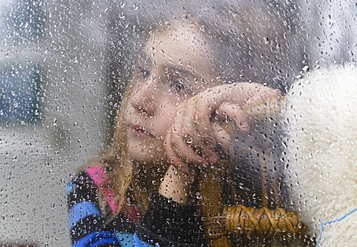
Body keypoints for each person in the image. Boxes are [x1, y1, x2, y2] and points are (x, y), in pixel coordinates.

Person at [67, 18, 281, 247]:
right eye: (143, 71)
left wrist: (244, 97)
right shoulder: (93, 188)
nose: (140, 100)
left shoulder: (243, 187)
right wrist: (180, 172)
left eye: (178, 86)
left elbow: (307, 113)